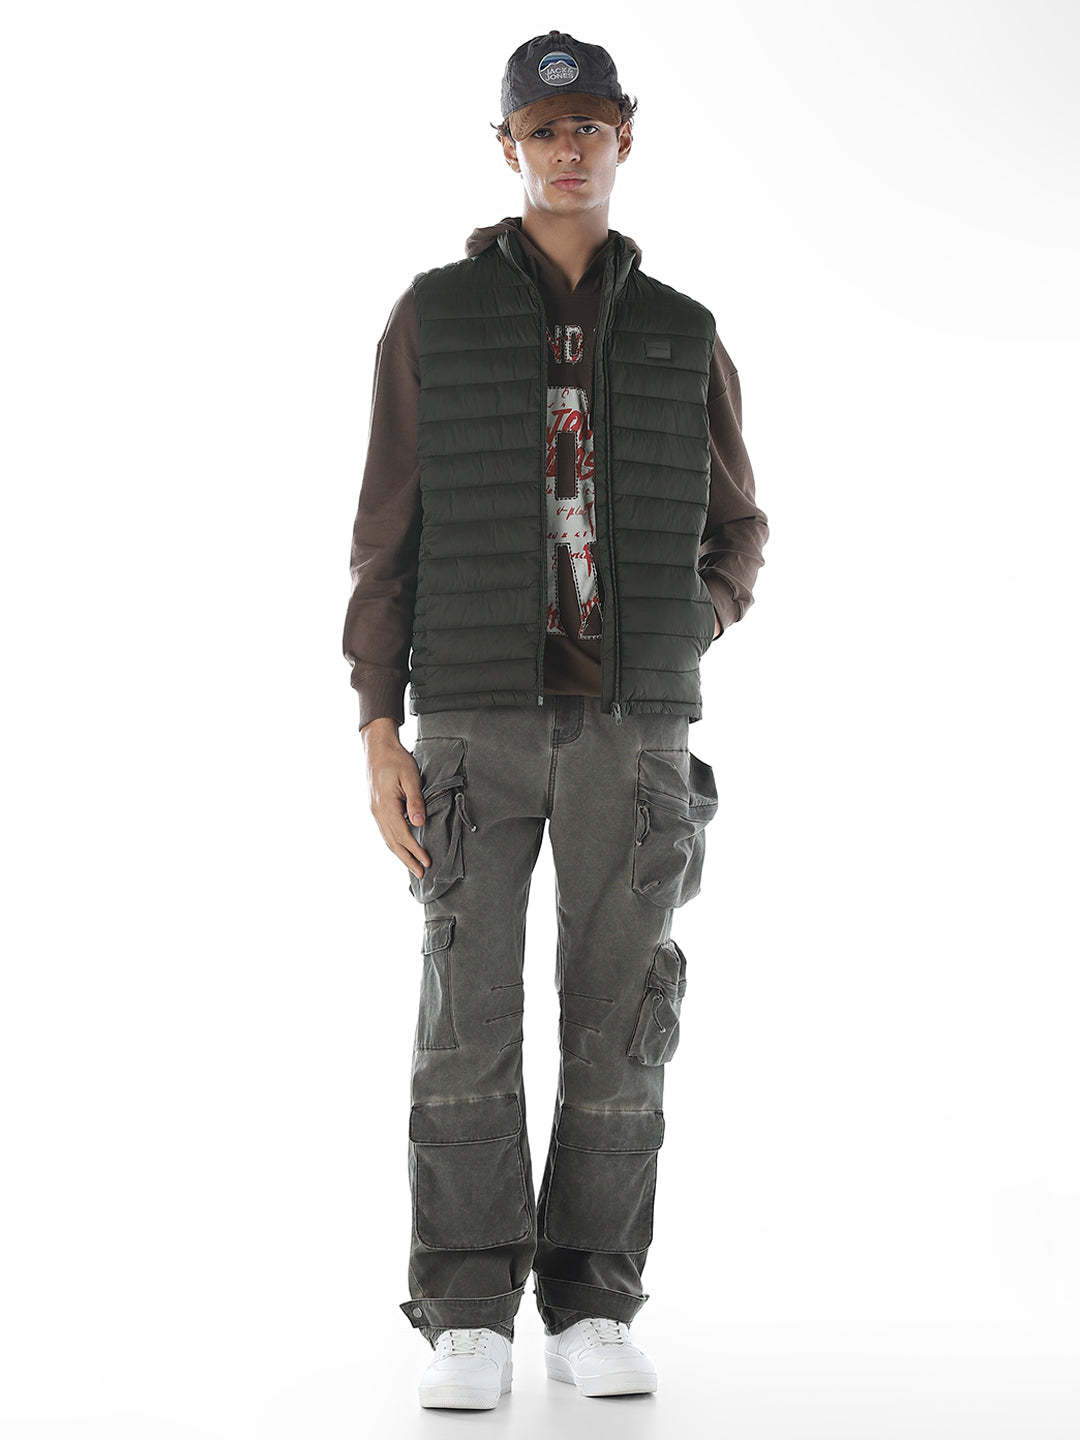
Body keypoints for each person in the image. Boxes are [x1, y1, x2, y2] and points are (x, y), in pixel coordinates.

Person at [342, 30, 769, 1410]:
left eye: (589, 125)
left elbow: (740, 530)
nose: (567, 148)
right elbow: (385, 533)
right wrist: (378, 724)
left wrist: (689, 623)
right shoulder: (435, 316)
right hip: (471, 720)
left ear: (624, 139)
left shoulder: (685, 332)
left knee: (621, 1018)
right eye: (544, 128)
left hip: (633, 733)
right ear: (508, 146)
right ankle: (468, 1309)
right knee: (464, 1011)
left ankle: (594, 1301)